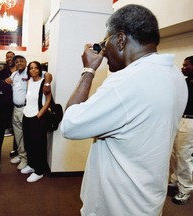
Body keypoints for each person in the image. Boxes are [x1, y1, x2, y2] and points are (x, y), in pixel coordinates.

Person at [60, 4, 187, 216]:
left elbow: (70, 125)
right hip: (147, 199)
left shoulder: (126, 82)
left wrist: (88, 70)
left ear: (120, 39)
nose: (104, 52)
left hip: (116, 204)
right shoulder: (174, 75)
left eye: (104, 42)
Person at [6, 55, 52, 170]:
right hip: (16, 109)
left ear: (26, 62)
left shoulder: (31, 71)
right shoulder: (14, 74)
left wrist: (47, 84)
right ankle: (21, 155)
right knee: (18, 135)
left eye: (21, 61)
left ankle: (27, 160)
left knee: (29, 136)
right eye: (16, 62)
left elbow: (48, 75)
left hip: (28, 109)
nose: (19, 63)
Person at [21, 61, 51, 182]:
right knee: (28, 143)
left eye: (36, 68)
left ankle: (39, 171)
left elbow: (48, 100)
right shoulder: (28, 82)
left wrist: (40, 114)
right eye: (31, 68)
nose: (33, 70)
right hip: (26, 115)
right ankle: (31, 165)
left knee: (38, 144)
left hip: (37, 117)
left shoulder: (44, 82)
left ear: (40, 70)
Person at [169, 56, 193, 205]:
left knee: (184, 155)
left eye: (186, 65)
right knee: (173, 153)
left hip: (190, 121)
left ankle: (185, 190)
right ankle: (175, 180)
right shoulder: (184, 83)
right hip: (179, 119)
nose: (182, 68)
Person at [0, 51, 18, 157]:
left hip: (17, 103)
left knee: (17, 128)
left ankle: (16, 149)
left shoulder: (21, 70)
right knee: (2, 127)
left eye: (11, 57)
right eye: (7, 57)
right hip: (5, 104)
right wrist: (4, 83)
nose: (9, 59)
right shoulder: (2, 72)